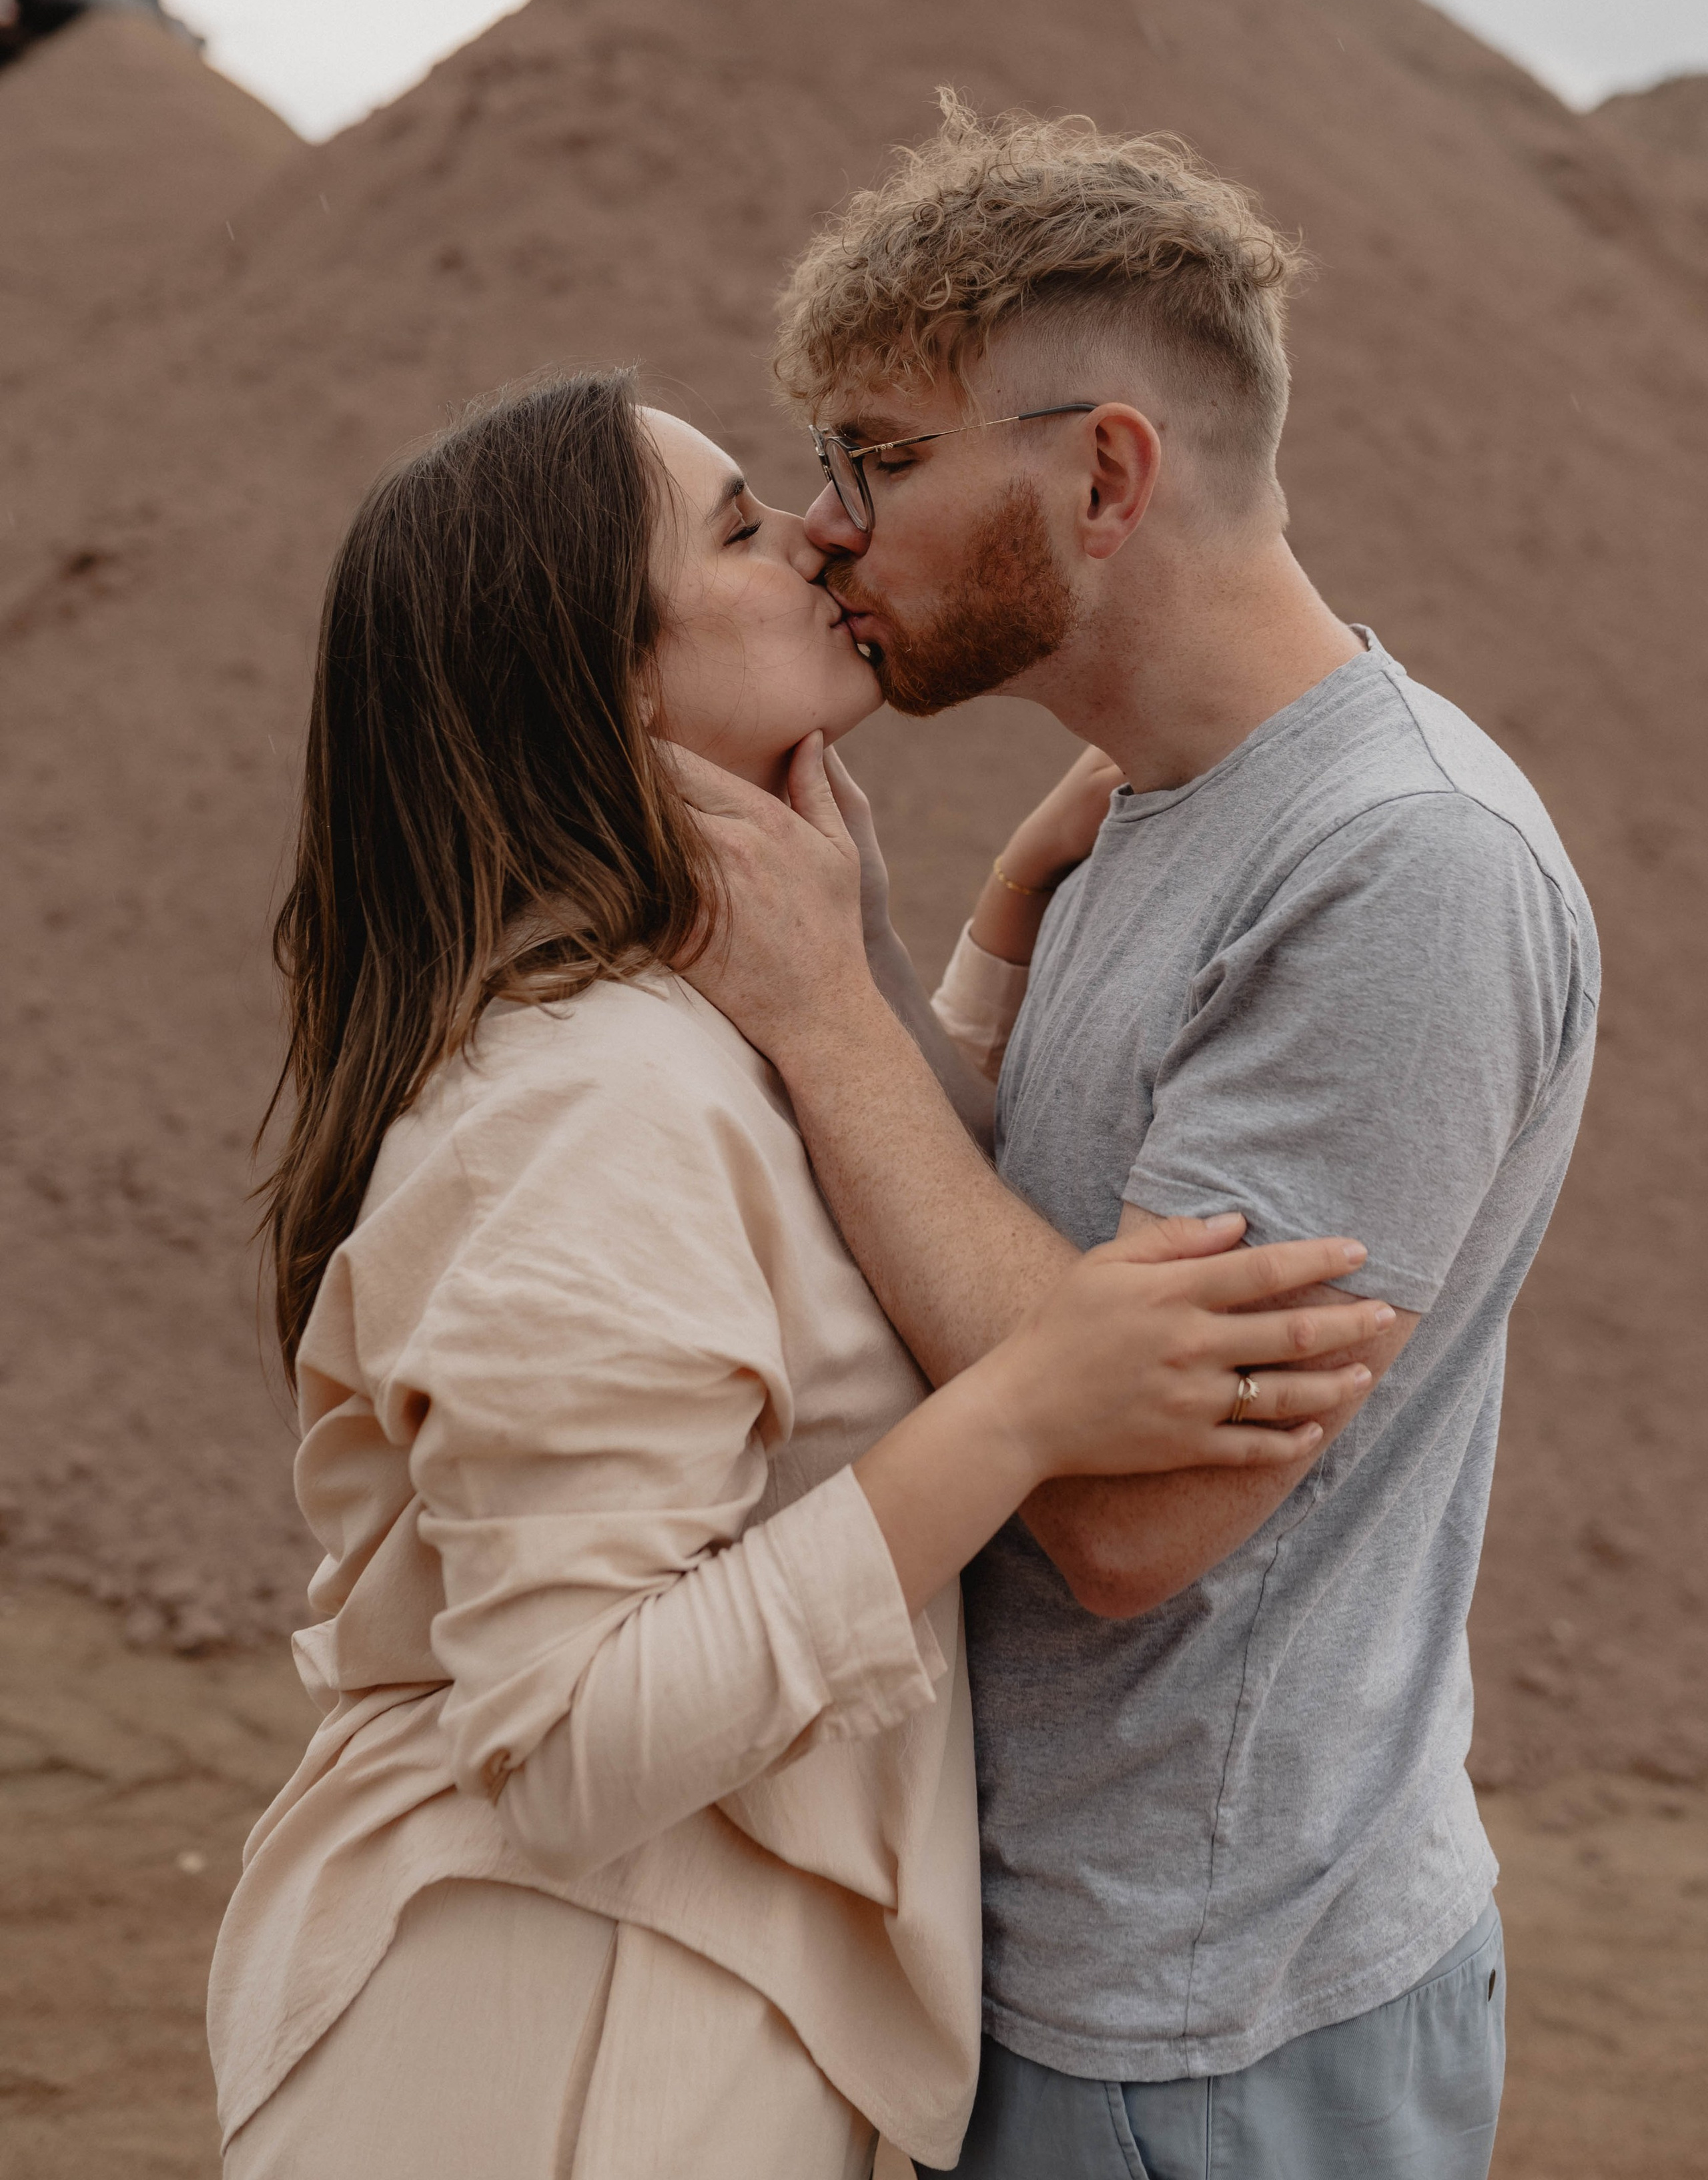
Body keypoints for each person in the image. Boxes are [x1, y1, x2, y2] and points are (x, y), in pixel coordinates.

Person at [207, 370, 1389, 2180]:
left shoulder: (684, 1020)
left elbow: (808, 1241)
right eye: (742, 529)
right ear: (612, 681)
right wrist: (1025, 1411)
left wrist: (958, 959)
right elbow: (573, 1739)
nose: (825, 530)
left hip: (646, 2009)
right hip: (552, 2065)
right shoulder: (584, 1107)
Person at [673, 101, 1600, 2180]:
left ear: (1104, 474)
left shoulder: (1400, 873)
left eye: (883, 460)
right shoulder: (1149, 810)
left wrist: (827, 1000)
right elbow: (1018, 1247)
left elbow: (1132, 1516)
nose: (827, 527)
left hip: (1198, 2028)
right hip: (1064, 1970)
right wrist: (951, 952)